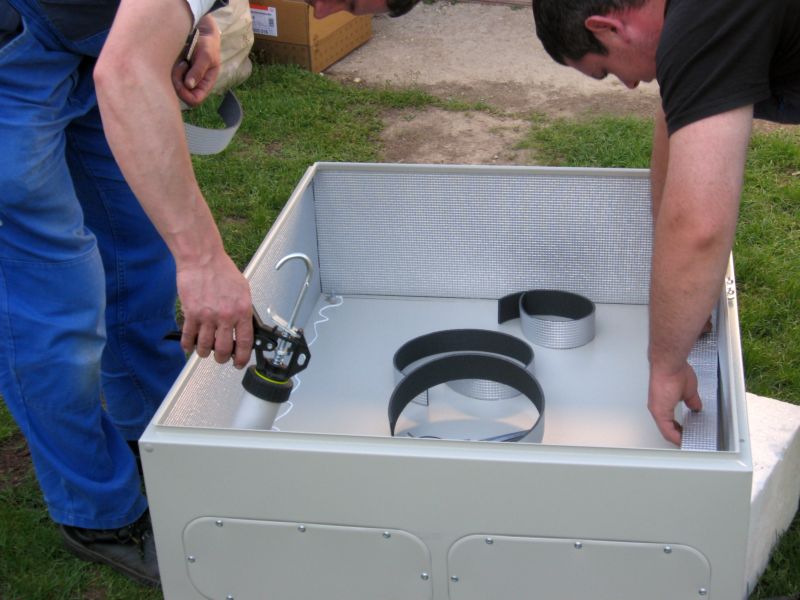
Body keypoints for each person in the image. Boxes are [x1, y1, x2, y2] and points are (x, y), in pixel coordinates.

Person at [0, 0, 419, 587]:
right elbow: (125, 72)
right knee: (54, 306)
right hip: (14, 51)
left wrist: (193, 22)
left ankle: (158, 442)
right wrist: (201, 260)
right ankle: (98, 513)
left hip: (83, 39)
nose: (324, 11)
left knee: (135, 255)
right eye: (346, 0)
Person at [531, 0, 800, 446]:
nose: (629, 83)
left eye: (606, 70)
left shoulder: (704, 20)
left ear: (607, 28)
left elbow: (698, 227)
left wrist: (667, 365)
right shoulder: (694, 19)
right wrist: (684, 289)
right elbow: (675, 116)